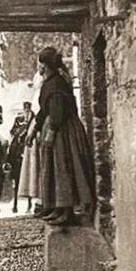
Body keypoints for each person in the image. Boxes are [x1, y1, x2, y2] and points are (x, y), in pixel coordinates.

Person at [26, 47, 95, 226]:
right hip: (57, 128)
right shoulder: (49, 82)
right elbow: (44, 110)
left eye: (39, 63)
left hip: (63, 131)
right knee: (54, 169)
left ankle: (67, 211)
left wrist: (51, 132)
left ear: (45, 66)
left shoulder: (56, 83)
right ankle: (56, 207)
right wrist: (33, 129)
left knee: (63, 168)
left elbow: (57, 111)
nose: (38, 67)